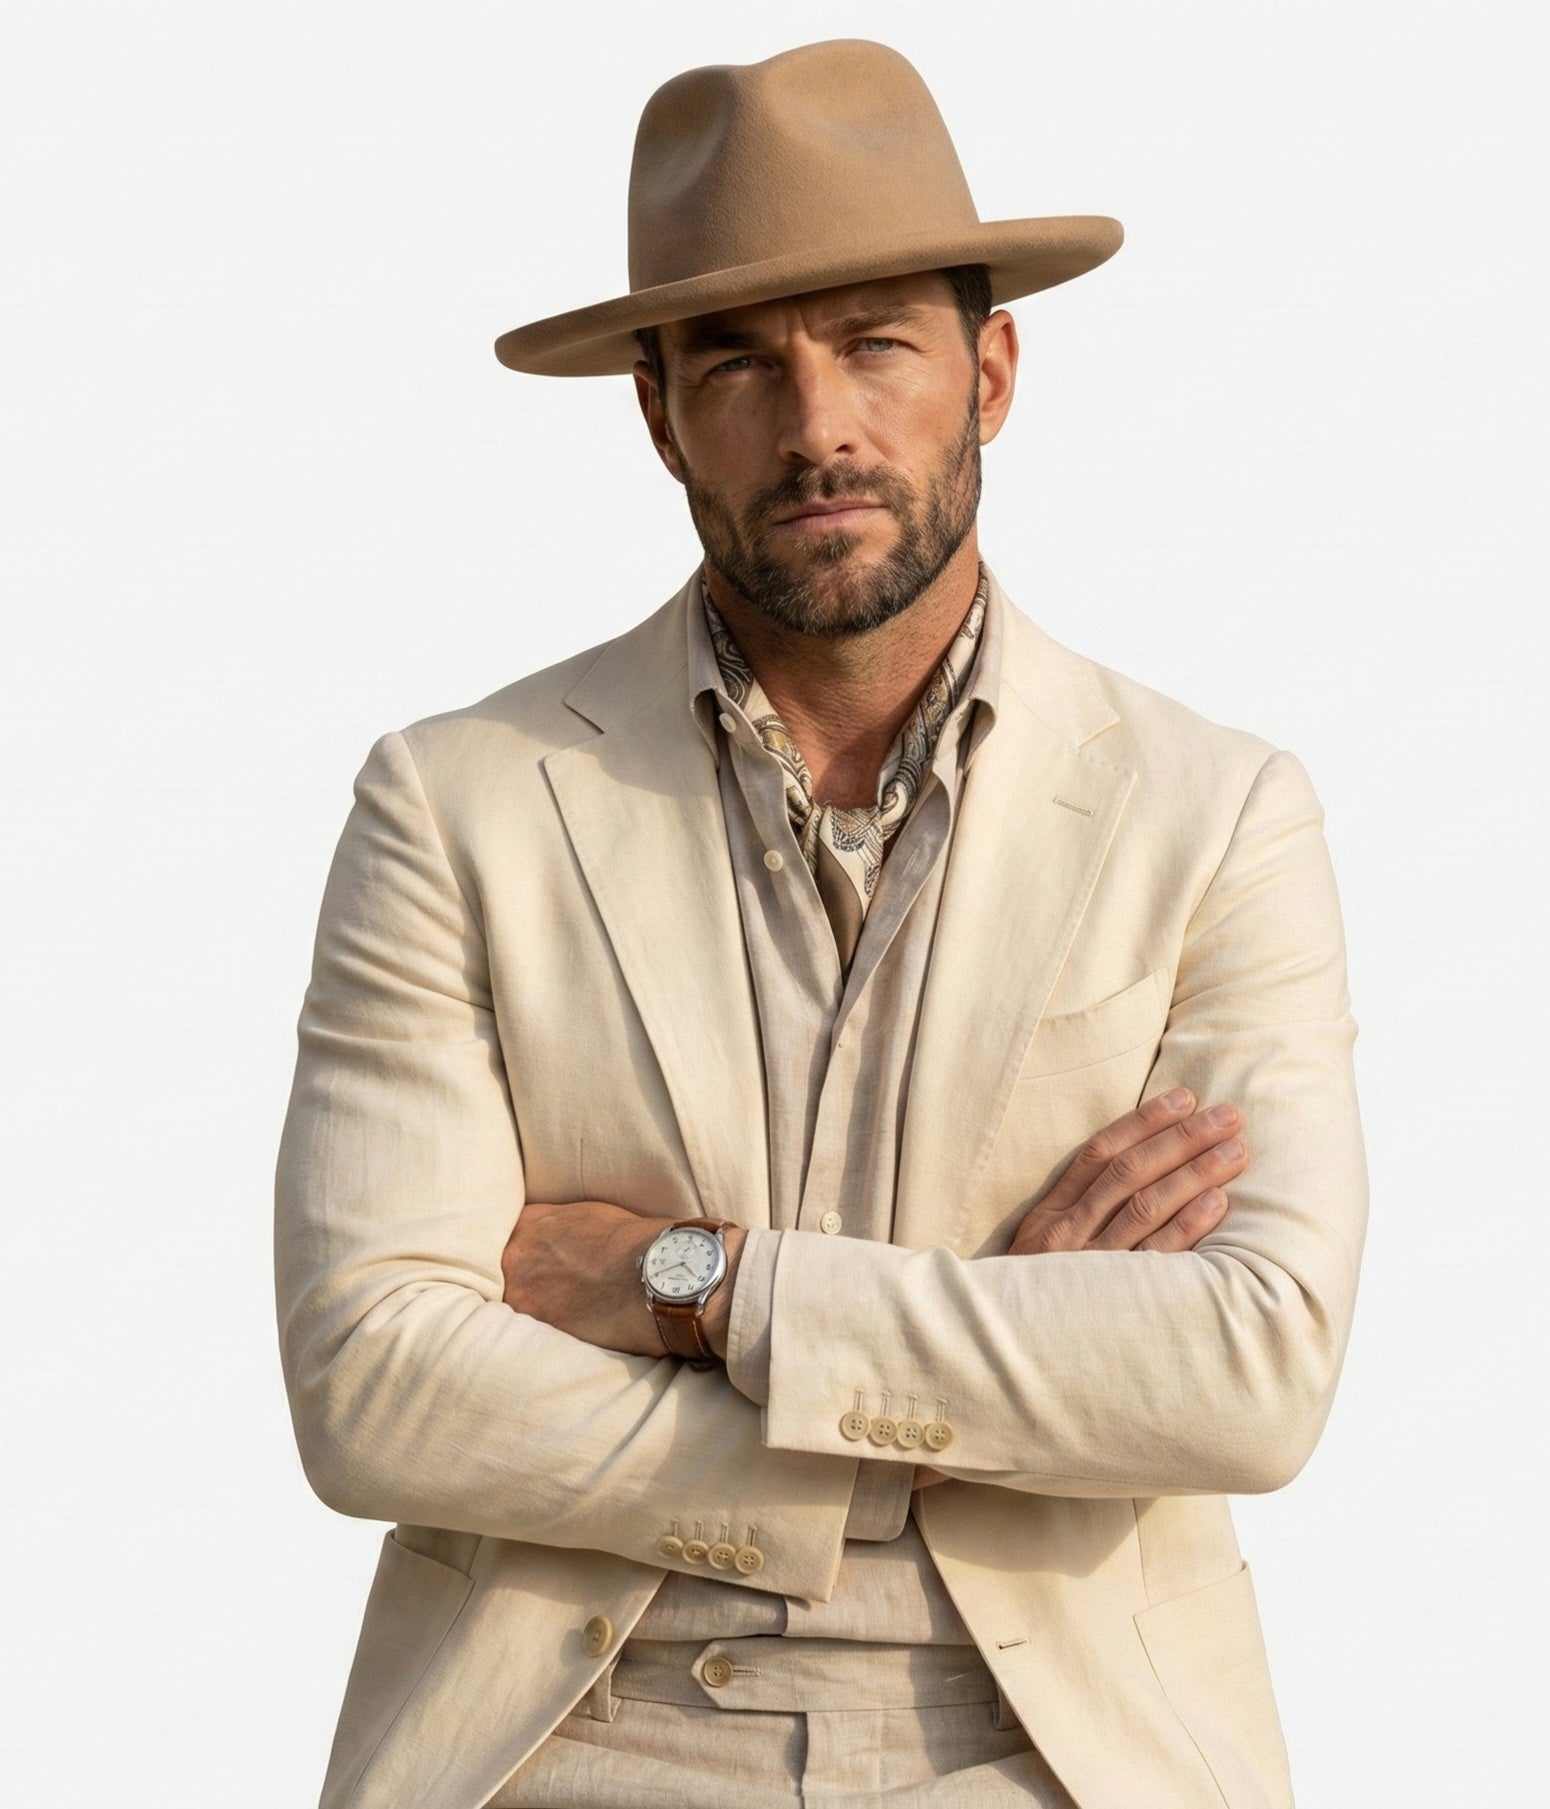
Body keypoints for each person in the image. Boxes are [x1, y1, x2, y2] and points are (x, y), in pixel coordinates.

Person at [275, 38, 1366, 1809]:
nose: (815, 428)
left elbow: (1250, 1371)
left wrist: (695, 1283)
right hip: (578, 1735)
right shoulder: (456, 800)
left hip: (1049, 1748)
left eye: (874, 344)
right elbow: (372, 1386)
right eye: (736, 363)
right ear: (656, 415)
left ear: (987, 375)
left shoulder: (1213, 810)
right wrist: (981, 1378)